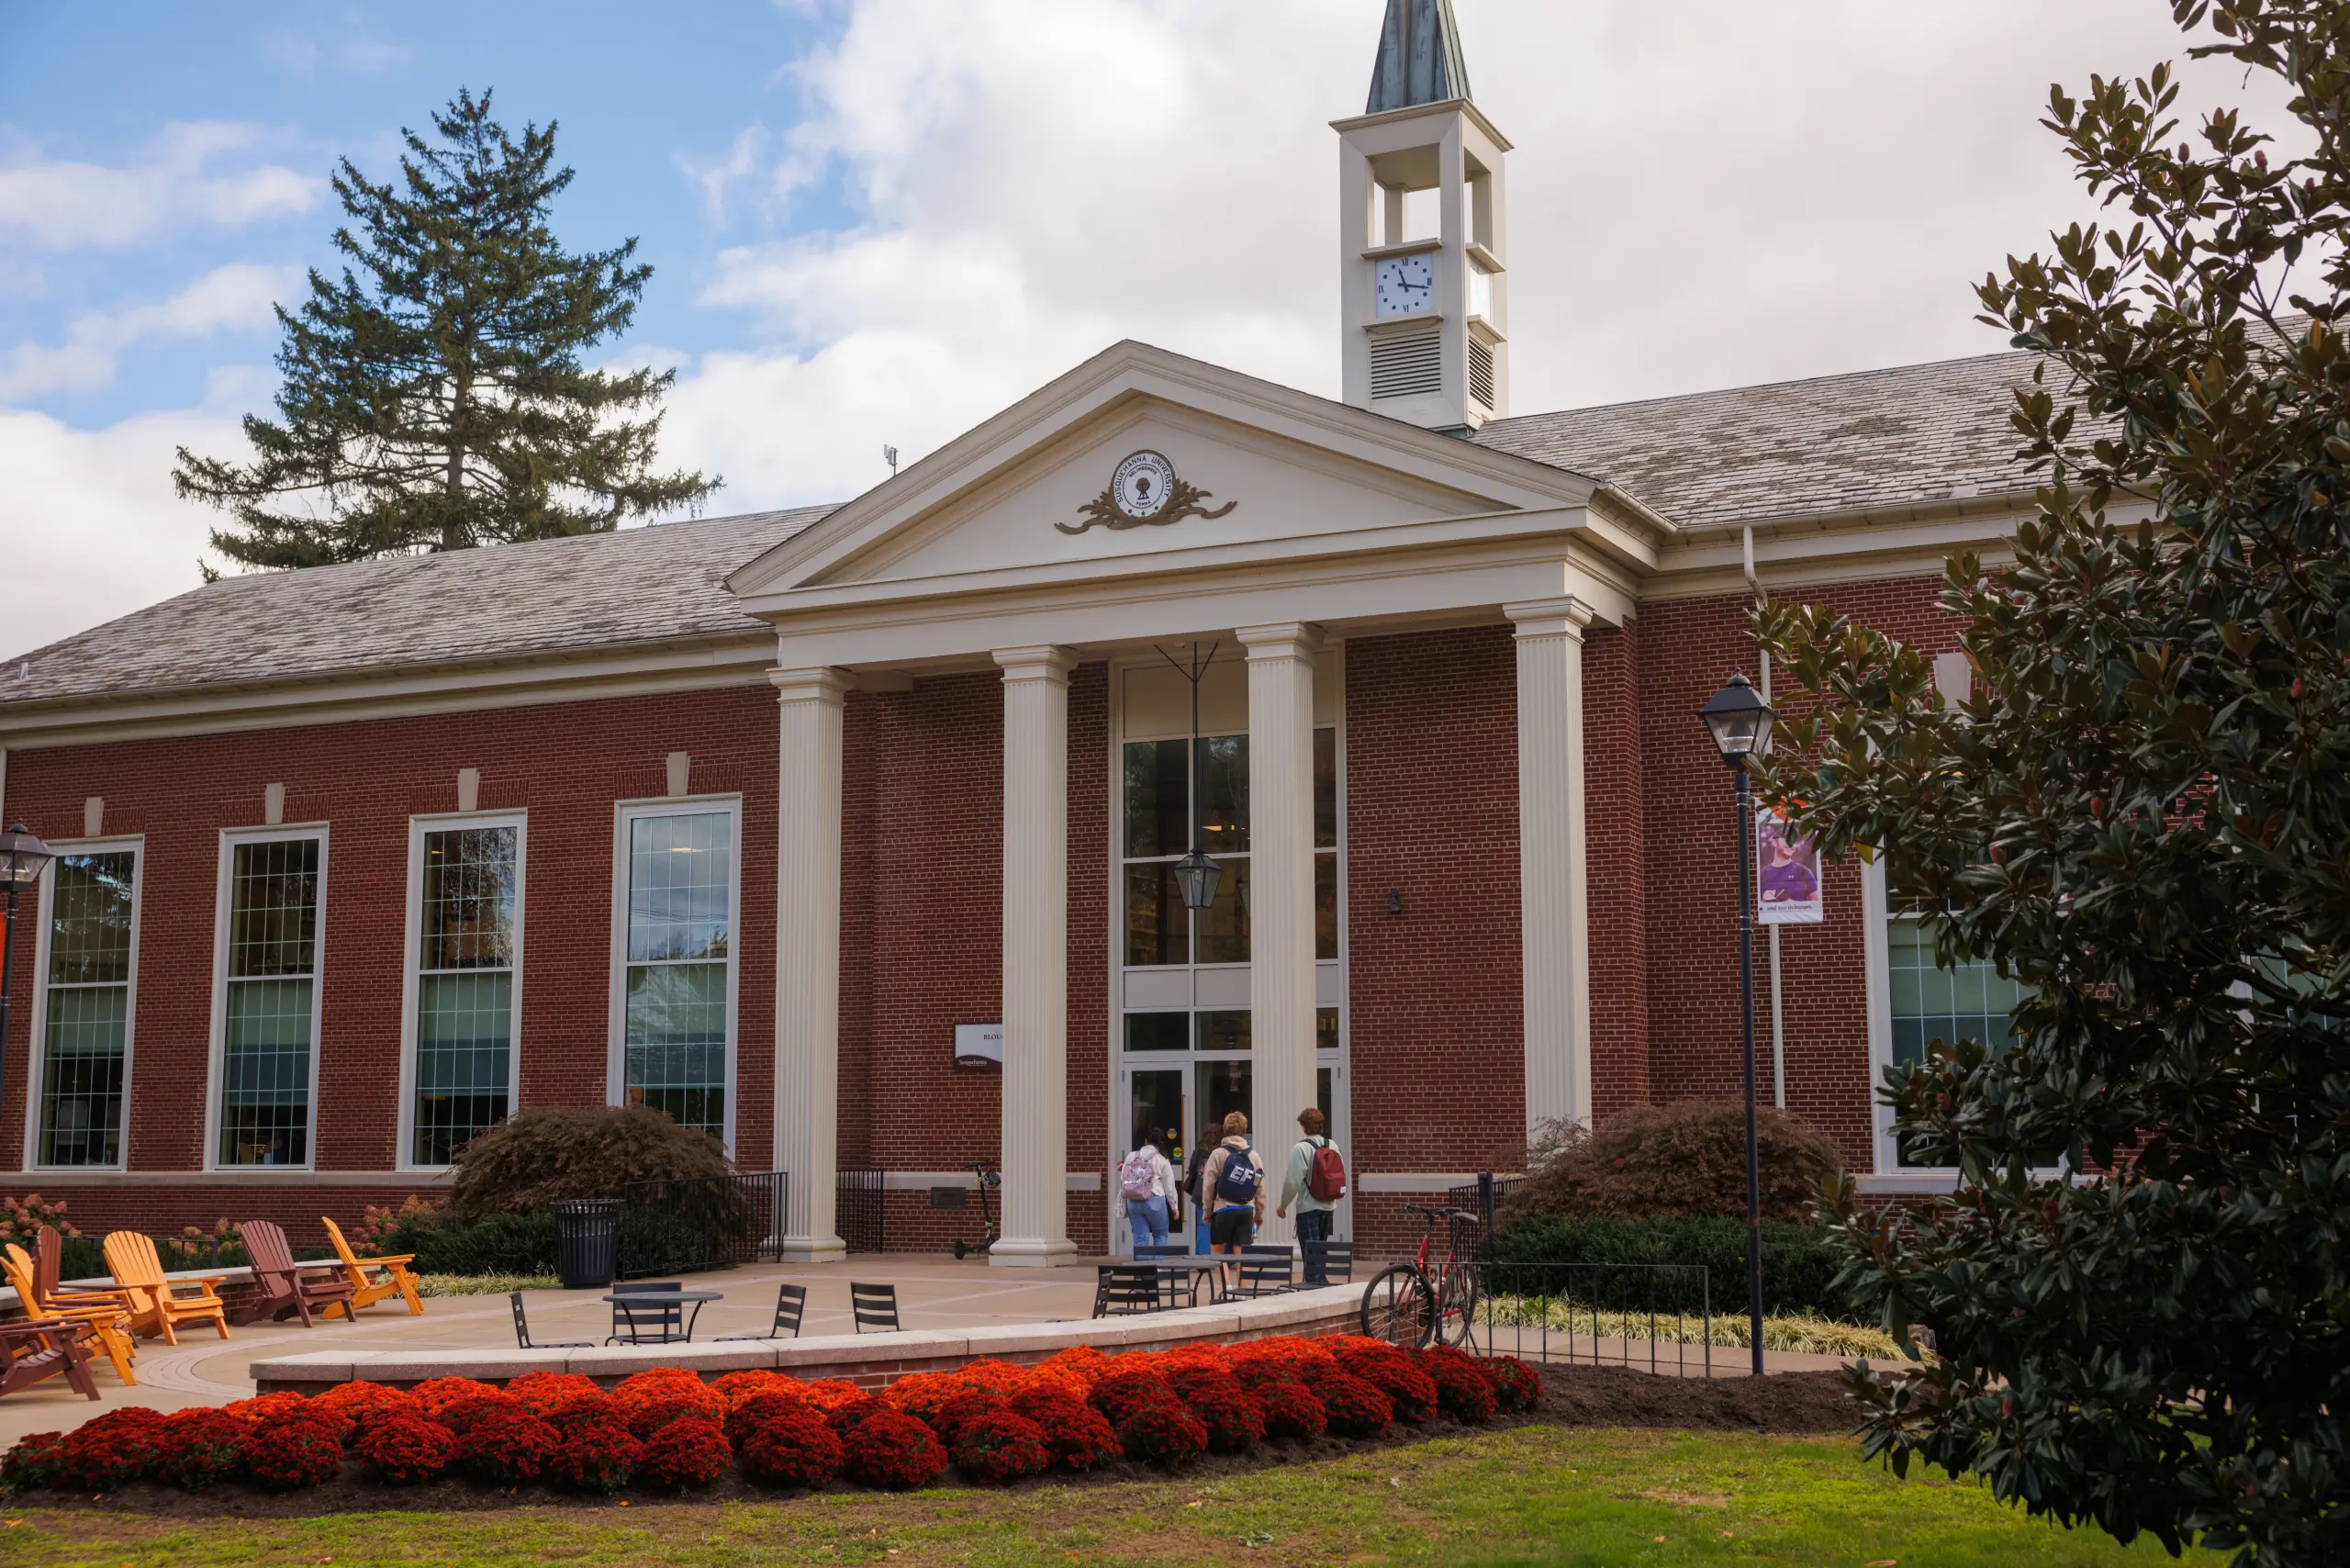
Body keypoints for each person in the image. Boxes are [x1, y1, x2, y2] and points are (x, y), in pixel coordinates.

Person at [1198, 1111, 1266, 1293]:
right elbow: (1259, 1186)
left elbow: (1208, 1185)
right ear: (1244, 1129)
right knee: (1242, 1255)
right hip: (1246, 1209)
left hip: (1223, 1208)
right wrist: (1258, 1213)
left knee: (1217, 1253)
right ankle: (1242, 1292)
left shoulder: (1218, 1154)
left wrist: (1206, 1210)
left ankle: (1227, 1288)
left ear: (1226, 1129)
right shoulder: (1254, 1156)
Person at [1276, 1106, 1343, 1286]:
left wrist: (1283, 1205)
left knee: (1309, 1251)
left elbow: (1292, 1181)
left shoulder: (1301, 1148)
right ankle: (1321, 1280)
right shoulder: (1332, 1145)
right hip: (1329, 1206)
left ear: (1304, 1127)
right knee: (1320, 1248)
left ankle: (1314, 1284)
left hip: (1308, 1207)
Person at [1117, 1130, 1178, 1251]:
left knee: (1140, 1238)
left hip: (1133, 1200)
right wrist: (1174, 1207)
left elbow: (1123, 1177)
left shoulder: (1131, 1156)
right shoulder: (1161, 1159)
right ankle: (1158, 1268)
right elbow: (1169, 1186)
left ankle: (1142, 1269)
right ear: (1161, 1144)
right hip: (1155, 1199)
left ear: (1146, 1141)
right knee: (1160, 1235)